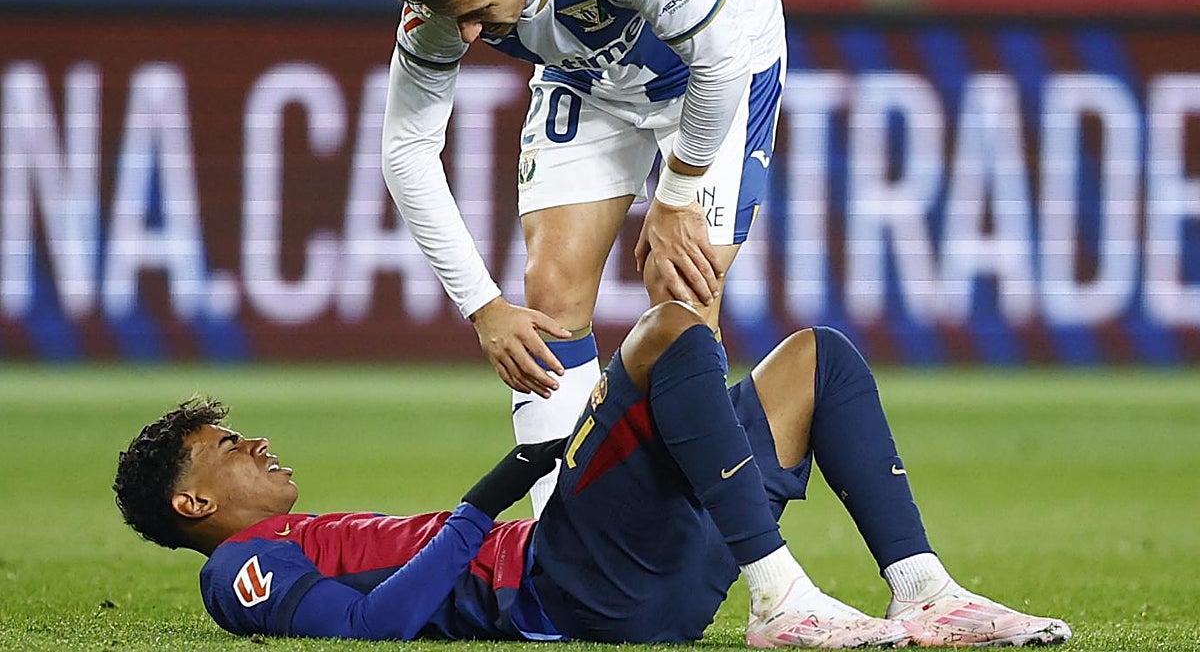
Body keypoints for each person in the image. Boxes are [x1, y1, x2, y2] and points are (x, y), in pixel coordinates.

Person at [114, 302, 1071, 647]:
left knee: (817, 360)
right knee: (667, 330)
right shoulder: (240, 567)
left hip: (641, 577)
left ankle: (924, 590)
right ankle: (781, 596)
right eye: (226, 447)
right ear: (191, 502)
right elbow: (374, 629)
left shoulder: (303, 537)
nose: (254, 444)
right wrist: (489, 496)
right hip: (570, 581)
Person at [382, 0, 788, 513]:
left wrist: (675, 193)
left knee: (680, 296)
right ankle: (560, 543)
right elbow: (405, 152)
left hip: (715, 65)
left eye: (479, 13)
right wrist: (484, 307)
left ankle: (702, 533)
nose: (468, 36)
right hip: (587, 76)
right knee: (550, 294)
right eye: (456, 19)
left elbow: (720, 58)